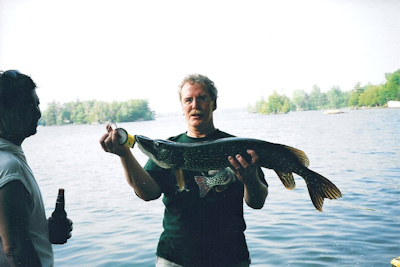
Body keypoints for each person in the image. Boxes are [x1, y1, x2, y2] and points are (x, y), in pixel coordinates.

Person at [100, 73, 268, 267]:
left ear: (214, 103)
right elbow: (148, 193)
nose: (195, 105)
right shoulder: (169, 148)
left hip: (230, 257)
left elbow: (257, 202)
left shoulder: (238, 148)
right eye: (188, 100)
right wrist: (125, 155)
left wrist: (250, 180)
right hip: (175, 257)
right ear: (182, 107)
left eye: (202, 98)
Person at [0, 70, 72, 267]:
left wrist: (43, 231)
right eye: (28, 105)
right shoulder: (9, 168)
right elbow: (14, 248)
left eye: (37, 104)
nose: (38, 112)